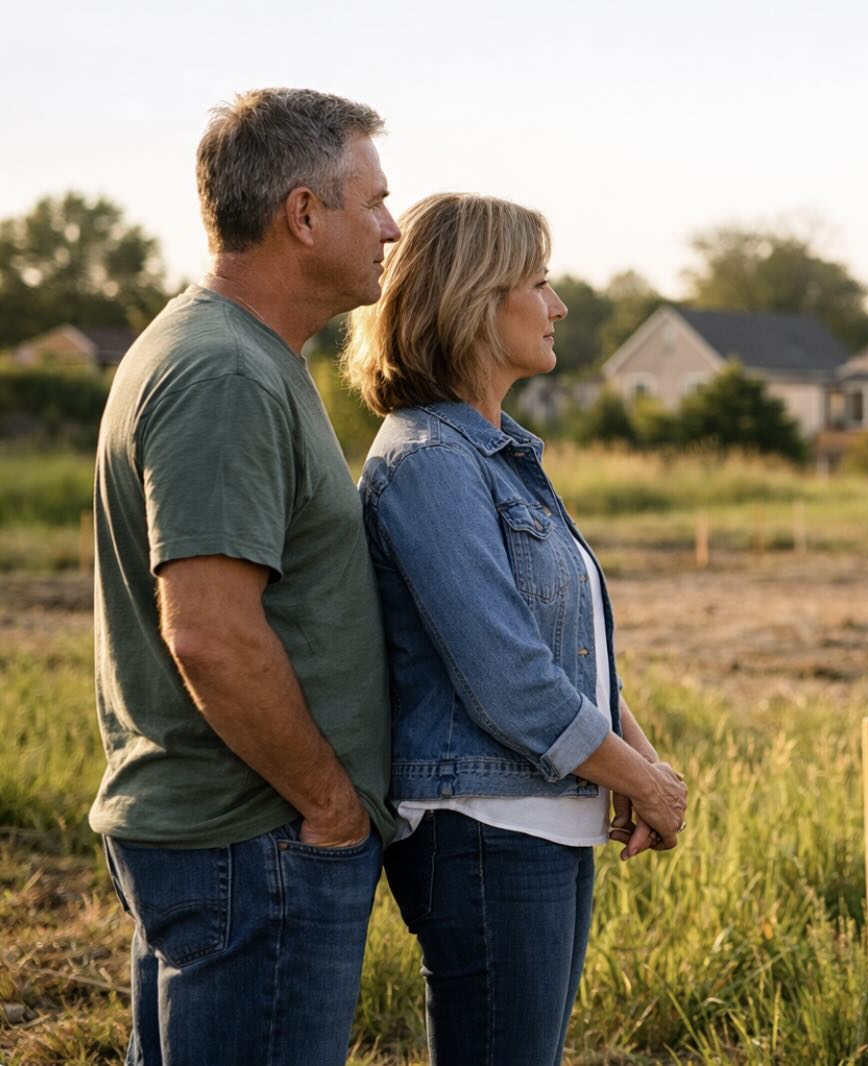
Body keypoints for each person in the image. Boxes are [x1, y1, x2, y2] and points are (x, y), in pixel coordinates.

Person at [341, 192, 688, 1066]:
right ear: (472, 301)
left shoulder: (501, 455)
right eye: (537, 282)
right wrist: (640, 783)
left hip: (538, 817)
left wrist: (638, 764)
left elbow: (569, 655)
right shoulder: (427, 462)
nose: (558, 305)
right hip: (483, 827)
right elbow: (507, 677)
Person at [91, 88, 401, 1064]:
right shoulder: (223, 370)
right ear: (303, 214)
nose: (394, 226)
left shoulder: (241, 354)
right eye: (375, 200)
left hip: (241, 838)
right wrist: (330, 805)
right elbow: (210, 634)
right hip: (255, 840)